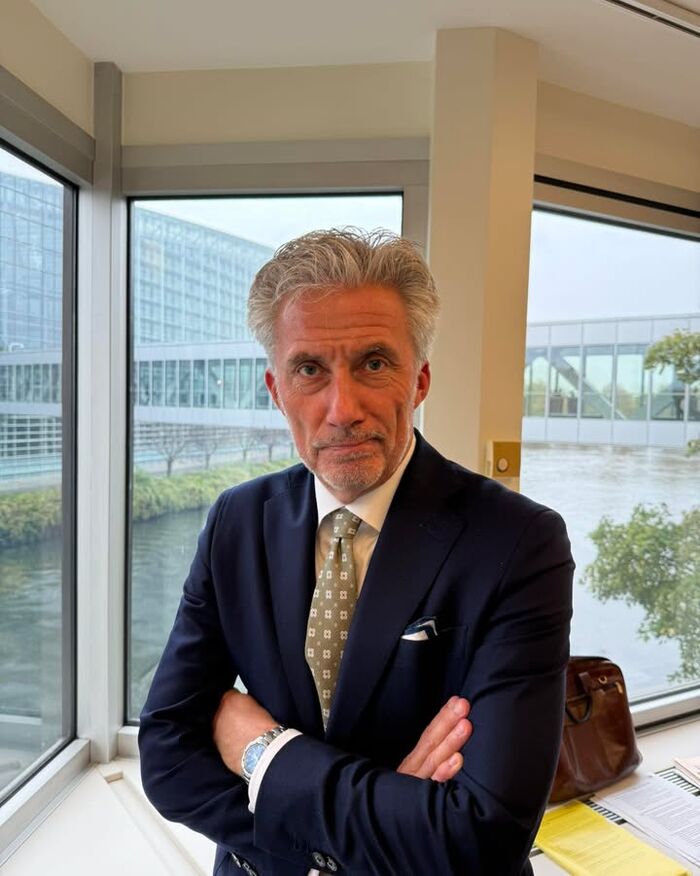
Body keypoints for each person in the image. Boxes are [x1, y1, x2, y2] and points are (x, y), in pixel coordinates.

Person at [139, 229, 574, 876]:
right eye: (309, 370)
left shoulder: (518, 542)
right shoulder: (237, 520)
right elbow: (168, 760)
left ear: (419, 379)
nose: (342, 409)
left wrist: (263, 753)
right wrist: (374, 831)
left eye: (373, 363)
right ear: (276, 389)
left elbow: (482, 835)